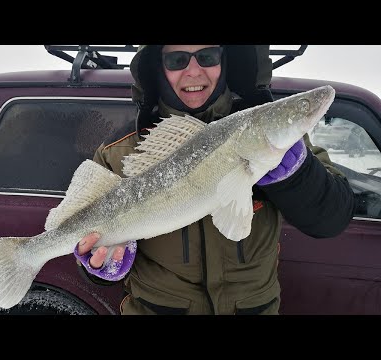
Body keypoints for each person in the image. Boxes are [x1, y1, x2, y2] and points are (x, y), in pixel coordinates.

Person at [74, 45, 355, 315]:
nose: (194, 71)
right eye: (177, 60)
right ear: (158, 68)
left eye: (207, 56)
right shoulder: (118, 154)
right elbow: (85, 250)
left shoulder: (285, 143)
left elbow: (332, 219)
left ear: (225, 59)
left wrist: (298, 176)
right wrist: (100, 267)